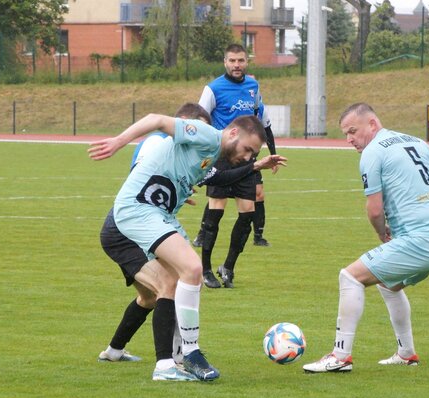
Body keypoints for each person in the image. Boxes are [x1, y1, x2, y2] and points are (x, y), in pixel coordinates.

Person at [89, 112, 286, 382]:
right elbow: (156, 119)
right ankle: (185, 356)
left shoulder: (210, 155)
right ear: (232, 133)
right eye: (248, 149)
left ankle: (173, 358)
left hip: (157, 214)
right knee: (191, 269)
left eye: (253, 154)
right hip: (138, 210)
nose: (248, 156)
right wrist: (119, 141)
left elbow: (218, 177)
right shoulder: (207, 135)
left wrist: (254, 167)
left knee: (180, 282)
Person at [302, 103, 429, 373]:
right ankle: (406, 353)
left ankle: (340, 357)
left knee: (350, 276)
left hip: (419, 240)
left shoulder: (373, 152)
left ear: (372, 124)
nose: (349, 139)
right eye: (345, 134)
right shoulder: (416, 141)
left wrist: (381, 232)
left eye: (353, 131)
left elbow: (374, 210)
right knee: (389, 285)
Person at [97, 103, 209, 373]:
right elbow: (141, 175)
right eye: (199, 129)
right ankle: (169, 363)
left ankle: (113, 351)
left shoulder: (177, 151)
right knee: (170, 283)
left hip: (133, 228)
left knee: (148, 298)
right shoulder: (158, 141)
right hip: (127, 232)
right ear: (184, 122)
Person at [191, 43, 278, 289]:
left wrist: (272, 153)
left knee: (247, 214)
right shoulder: (213, 89)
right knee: (214, 214)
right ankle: (206, 269)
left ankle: (228, 266)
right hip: (221, 158)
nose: (237, 65)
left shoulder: (253, 87)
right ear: (225, 62)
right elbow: (199, 121)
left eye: (241, 60)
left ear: (246, 61)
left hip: (247, 159)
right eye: (232, 61)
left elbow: (263, 122)